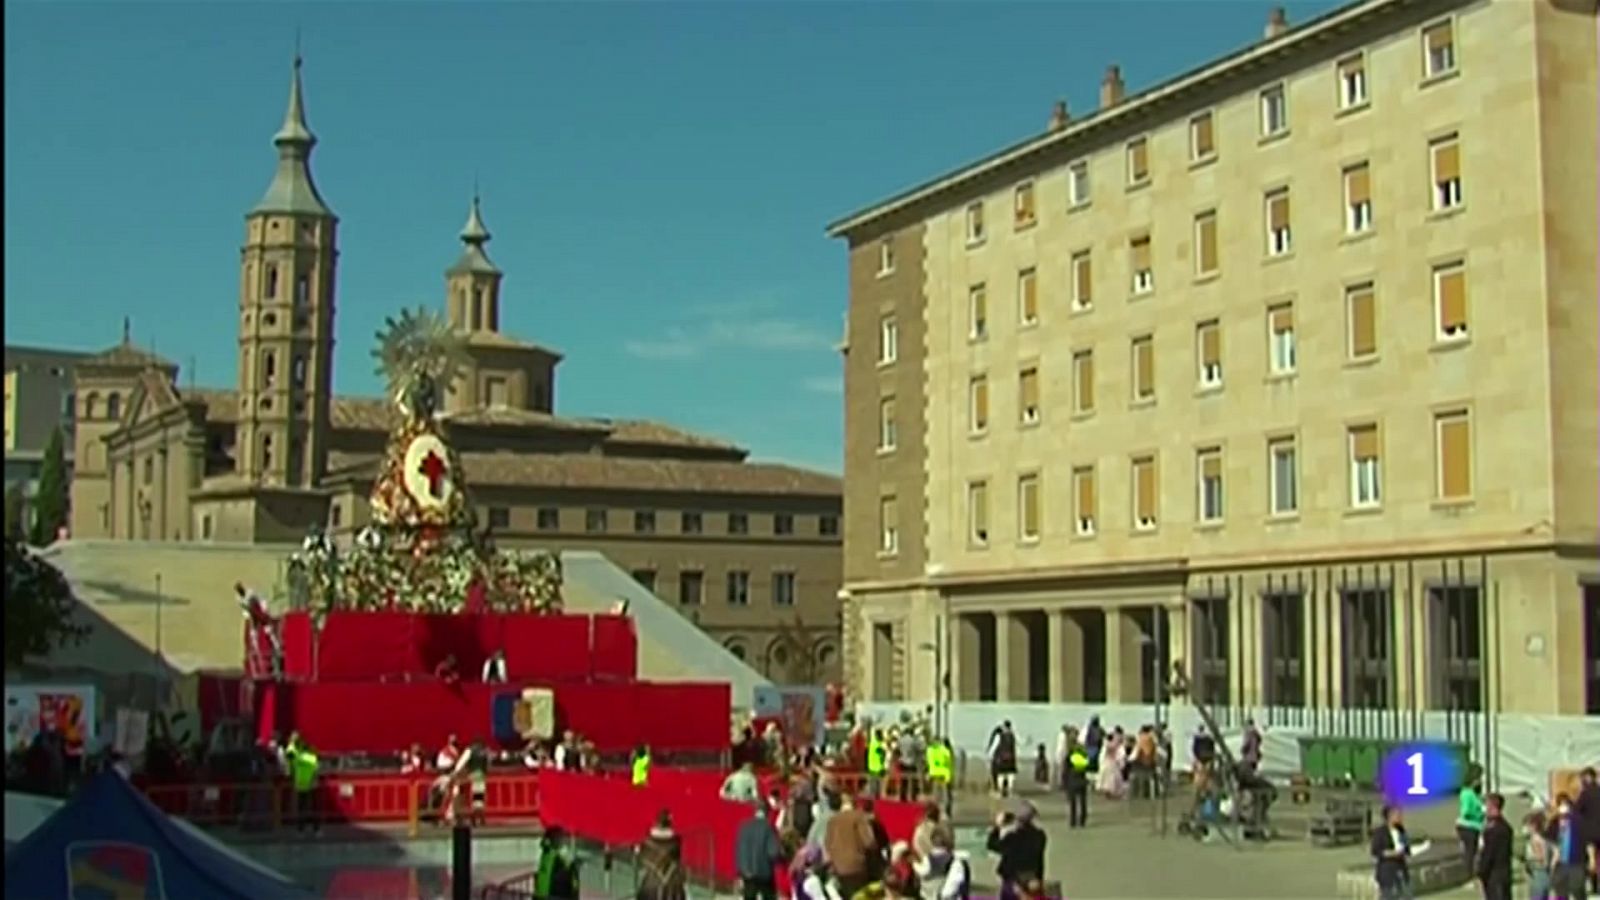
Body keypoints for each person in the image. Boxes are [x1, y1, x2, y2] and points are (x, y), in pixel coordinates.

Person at [986, 802, 1046, 900]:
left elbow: (992, 845)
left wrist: (997, 827)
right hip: (1033, 879)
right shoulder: (1040, 836)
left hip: (1013, 882)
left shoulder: (1012, 838)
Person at [825, 793, 878, 900]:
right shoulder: (858, 817)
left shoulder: (832, 820)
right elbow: (869, 842)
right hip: (856, 866)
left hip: (839, 867)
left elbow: (827, 844)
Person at [736, 800, 784, 900]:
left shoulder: (744, 827)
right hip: (764, 872)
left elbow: (740, 851)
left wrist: (741, 870)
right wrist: (781, 859)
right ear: (767, 812)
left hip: (747, 872)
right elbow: (773, 852)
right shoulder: (768, 828)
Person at [638, 809, 686, 900]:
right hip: (672, 884)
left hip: (651, 883)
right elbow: (677, 858)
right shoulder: (676, 841)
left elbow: (643, 857)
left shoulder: (647, 841)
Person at [1549, 795, 1590, 900]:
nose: (1562, 807)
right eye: (1560, 805)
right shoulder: (1554, 822)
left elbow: (1588, 840)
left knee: (1577, 891)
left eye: (1564, 804)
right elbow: (1549, 839)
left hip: (1576, 862)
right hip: (1560, 864)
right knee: (1561, 893)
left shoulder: (1579, 821)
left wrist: (1591, 859)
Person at [913, 826, 971, 900]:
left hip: (929, 895)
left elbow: (923, 871)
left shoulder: (928, 858)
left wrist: (914, 864)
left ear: (932, 840)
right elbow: (953, 884)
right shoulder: (956, 861)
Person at [1371, 804, 1415, 900]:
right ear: (1389, 817)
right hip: (1387, 873)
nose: (1400, 816)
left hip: (1402, 871)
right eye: (1397, 814)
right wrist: (1390, 853)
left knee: (1407, 896)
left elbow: (1407, 849)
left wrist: (1406, 850)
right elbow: (1375, 851)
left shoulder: (1401, 831)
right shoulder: (1380, 832)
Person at [1476, 792, 1513, 900]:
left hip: (1495, 877)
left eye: (1486, 805)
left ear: (1493, 807)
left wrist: (1481, 871)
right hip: (1500, 875)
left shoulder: (1496, 830)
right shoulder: (1501, 826)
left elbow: (1489, 854)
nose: (1484, 809)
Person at [535, 827, 581, 900]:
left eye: (561, 835)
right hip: (547, 895)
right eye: (558, 835)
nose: (561, 838)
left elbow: (574, 880)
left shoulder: (563, 854)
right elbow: (541, 875)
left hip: (555, 895)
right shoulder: (546, 852)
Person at [287, 739, 320, 834]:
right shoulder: (313, 758)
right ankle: (316, 829)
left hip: (300, 785)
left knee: (301, 808)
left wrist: (292, 741)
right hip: (312, 785)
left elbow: (289, 753)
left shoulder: (297, 757)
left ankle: (301, 829)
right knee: (314, 808)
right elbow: (316, 771)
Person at [1458, 766, 1487, 868]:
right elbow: (1465, 812)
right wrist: (1480, 813)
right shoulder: (1467, 793)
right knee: (1470, 853)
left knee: (1473, 852)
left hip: (1475, 826)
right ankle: (1468, 874)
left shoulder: (1473, 793)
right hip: (1469, 826)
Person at [1062, 731, 1091, 829]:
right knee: (1083, 802)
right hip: (1082, 779)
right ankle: (1082, 821)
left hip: (1072, 779)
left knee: (1073, 802)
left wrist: (1064, 782)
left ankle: (1073, 821)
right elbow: (1086, 765)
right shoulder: (1083, 753)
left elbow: (1066, 769)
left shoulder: (1070, 754)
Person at [1524, 811, 1555, 900]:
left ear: (1533, 826)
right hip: (1544, 874)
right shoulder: (1544, 840)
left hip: (1538, 873)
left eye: (1528, 825)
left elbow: (1541, 857)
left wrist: (1529, 861)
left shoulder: (1535, 840)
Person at [989, 722, 1018, 799]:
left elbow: (994, 746)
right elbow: (1018, 744)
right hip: (1011, 758)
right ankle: (1009, 791)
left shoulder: (1000, 735)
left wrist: (990, 754)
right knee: (1010, 775)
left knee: (1001, 775)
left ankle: (1000, 792)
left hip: (1001, 758)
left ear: (1004, 726)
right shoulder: (1012, 735)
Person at [1095, 728, 1126, 798]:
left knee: (1107, 777)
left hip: (1107, 761)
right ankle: (1112, 792)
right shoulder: (1113, 745)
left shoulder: (1106, 744)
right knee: (1113, 777)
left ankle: (1108, 792)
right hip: (1112, 762)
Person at [925, 738, 953, 812]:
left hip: (934, 774)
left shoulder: (930, 750)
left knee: (935, 794)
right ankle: (943, 811)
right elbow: (948, 764)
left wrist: (928, 774)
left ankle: (936, 811)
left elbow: (928, 763)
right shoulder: (945, 751)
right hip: (943, 774)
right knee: (944, 794)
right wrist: (948, 776)